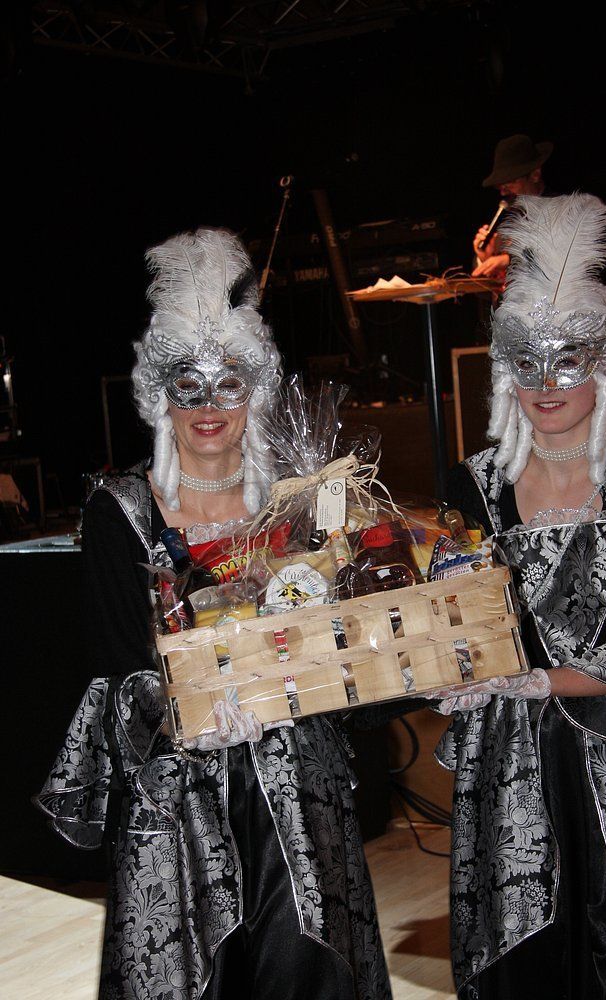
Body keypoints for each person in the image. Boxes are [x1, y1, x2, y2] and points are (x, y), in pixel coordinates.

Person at [35, 227, 392, 1000]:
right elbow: (117, 668)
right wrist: (189, 710)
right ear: (157, 393)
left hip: (301, 804)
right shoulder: (122, 512)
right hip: (180, 813)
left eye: (228, 383)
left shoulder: (304, 500)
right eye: (186, 384)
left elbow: (356, 652)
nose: (207, 406)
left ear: (255, 391)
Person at [433, 194, 606, 999]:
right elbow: (453, 611)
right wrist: (444, 668)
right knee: (519, 958)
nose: (546, 382)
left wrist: (543, 680)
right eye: (526, 362)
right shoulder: (473, 485)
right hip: (507, 764)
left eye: (569, 359)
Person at [472, 133, 553, 281]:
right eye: (499, 186)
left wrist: (509, 260)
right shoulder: (506, 216)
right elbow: (486, 281)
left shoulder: (564, 210)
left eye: (509, 183)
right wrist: (485, 257)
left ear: (535, 175)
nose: (503, 192)